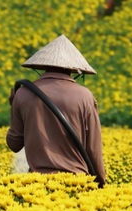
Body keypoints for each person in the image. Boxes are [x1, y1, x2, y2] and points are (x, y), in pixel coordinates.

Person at [7, 34, 106, 188]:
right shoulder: (85, 96)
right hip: (76, 184)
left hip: (38, 185)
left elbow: (14, 144)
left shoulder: (23, 94)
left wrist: (14, 108)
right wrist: (100, 182)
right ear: (74, 69)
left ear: (42, 66)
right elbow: (93, 148)